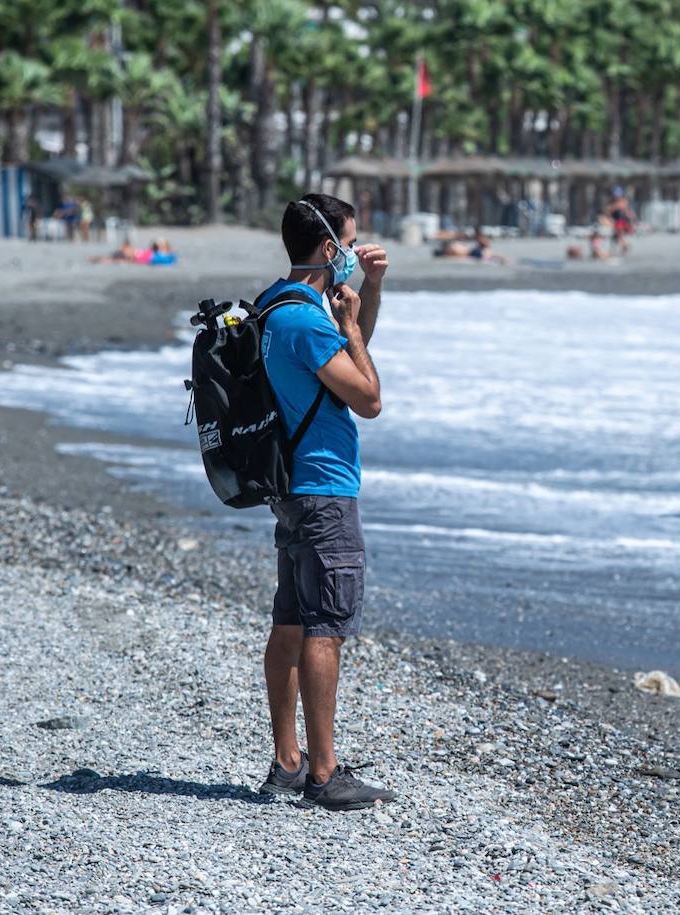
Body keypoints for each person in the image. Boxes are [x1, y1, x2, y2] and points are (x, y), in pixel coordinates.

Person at [254, 193, 395, 811]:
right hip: (322, 488)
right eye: (349, 243)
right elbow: (367, 396)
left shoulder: (273, 307)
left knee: (290, 621)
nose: (352, 252)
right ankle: (324, 773)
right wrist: (353, 327)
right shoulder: (304, 321)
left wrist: (370, 289)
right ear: (328, 247)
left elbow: (348, 344)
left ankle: (288, 761)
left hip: (289, 487)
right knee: (325, 627)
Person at [603, 187, 635, 256]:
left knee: (618, 235)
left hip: (622, 222)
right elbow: (607, 212)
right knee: (616, 237)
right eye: (615, 195)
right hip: (615, 222)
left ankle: (624, 246)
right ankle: (622, 247)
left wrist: (631, 220)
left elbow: (627, 212)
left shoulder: (623, 201)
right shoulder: (611, 203)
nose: (616, 197)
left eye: (618, 195)